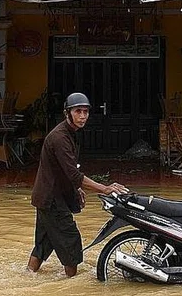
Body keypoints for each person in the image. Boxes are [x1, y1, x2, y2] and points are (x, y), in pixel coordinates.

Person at [28, 92, 129, 277]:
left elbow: (67, 170)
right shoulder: (60, 138)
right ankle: (72, 283)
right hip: (52, 200)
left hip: (46, 197)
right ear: (68, 113)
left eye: (85, 112)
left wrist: (78, 188)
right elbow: (74, 174)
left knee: (43, 244)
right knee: (71, 242)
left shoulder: (70, 133)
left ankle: (27, 277)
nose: (83, 116)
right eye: (78, 111)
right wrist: (105, 188)